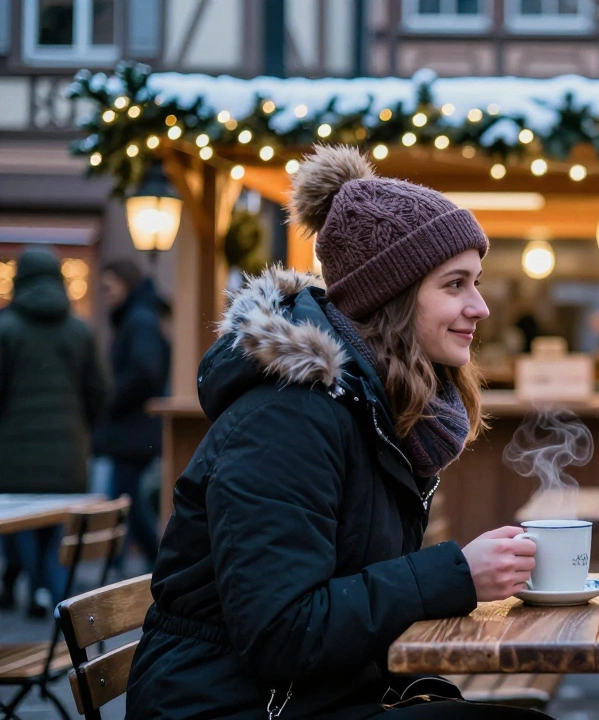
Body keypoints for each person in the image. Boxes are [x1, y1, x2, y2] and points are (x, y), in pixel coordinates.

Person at [125, 146, 545, 719]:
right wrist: (455, 575)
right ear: (391, 297)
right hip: (229, 706)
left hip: (312, 697)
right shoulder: (288, 418)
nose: (480, 307)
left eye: (475, 282)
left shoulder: (370, 407)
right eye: (455, 284)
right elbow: (282, 633)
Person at [0, 248, 106, 615]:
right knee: (59, 527)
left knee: (22, 526)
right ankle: (55, 594)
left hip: (15, 453)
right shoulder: (79, 330)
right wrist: (81, 430)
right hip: (68, 450)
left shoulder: (5, 329)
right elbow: (98, 392)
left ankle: (39, 588)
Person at [94, 259, 169, 568]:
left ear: (125, 283)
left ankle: (154, 564)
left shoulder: (139, 320)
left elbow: (145, 371)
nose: (105, 294)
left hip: (132, 432)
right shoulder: (140, 318)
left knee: (126, 504)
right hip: (134, 432)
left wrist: (112, 400)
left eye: (109, 287)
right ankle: (132, 564)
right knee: (126, 503)